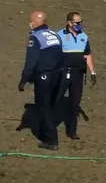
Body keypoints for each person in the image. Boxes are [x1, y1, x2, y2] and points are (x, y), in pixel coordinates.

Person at [18, 11, 63, 150]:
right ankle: (46, 131)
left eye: (31, 20)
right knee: (50, 106)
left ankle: (51, 140)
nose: (30, 23)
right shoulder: (55, 35)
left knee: (43, 107)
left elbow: (31, 62)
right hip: (58, 75)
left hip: (44, 77)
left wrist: (23, 80)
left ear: (36, 22)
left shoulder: (35, 37)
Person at [55, 11, 96, 140]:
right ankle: (49, 125)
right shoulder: (59, 35)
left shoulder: (84, 36)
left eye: (80, 22)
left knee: (75, 103)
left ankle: (72, 131)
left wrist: (92, 72)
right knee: (55, 98)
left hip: (78, 74)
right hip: (63, 72)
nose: (79, 25)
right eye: (77, 23)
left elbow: (87, 55)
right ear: (69, 23)